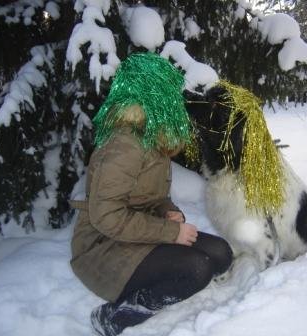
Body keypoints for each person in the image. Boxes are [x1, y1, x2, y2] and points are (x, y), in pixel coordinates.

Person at [70, 53, 233, 336]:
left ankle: (168, 272)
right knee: (197, 269)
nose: (176, 99)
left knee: (221, 254)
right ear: (150, 92)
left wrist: (167, 210)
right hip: (103, 245)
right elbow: (106, 216)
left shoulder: (150, 135)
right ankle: (113, 318)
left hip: (139, 232)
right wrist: (169, 232)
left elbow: (153, 197)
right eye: (170, 91)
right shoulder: (122, 145)